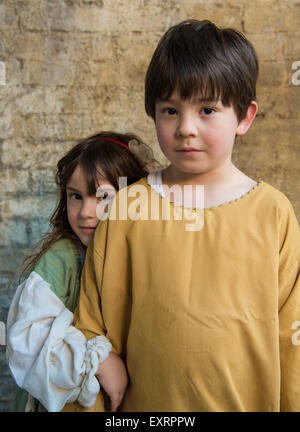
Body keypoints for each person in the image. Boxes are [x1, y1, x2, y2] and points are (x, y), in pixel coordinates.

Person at [69, 19, 300, 412]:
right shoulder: (128, 208)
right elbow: (93, 328)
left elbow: (291, 341)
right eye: (170, 110)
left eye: (207, 109)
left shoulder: (273, 213)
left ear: (244, 117)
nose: (185, 129)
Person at [6, 131, 156, 412]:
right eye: (76, 196)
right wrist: (96, 360)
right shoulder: (63, 258)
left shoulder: (138, 258)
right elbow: (27, 341)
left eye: (103, 197)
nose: (86, 211)